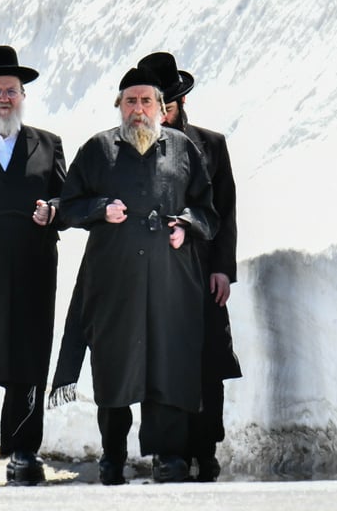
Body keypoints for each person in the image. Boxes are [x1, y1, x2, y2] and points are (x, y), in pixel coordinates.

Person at [56, 66, 218, 485]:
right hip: (114, 282)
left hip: (170, 282)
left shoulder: (183, 150)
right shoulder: (97, 149)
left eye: (147, 101)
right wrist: (100, 210)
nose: (138, 109)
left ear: (163, 110)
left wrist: (186, 225)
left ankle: (170, 457)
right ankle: (112, 457)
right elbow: (68, 205)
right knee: (115, 368)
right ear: (119, 106)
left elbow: (207, 211)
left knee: (169, 365)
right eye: (130, 101)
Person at [0, 45, 68, 487]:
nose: (5, 98)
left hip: (33, 264)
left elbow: (68, 197)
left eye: (12, 91)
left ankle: (24, 450)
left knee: (29, 353)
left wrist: (53, 211)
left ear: (23, 96)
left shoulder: (48, 143)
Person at [138, 51, 242, 482]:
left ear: (179, 104)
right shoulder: (132, 148)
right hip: (155, 278)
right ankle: (169, 451)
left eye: (169, 105)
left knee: (206, 363)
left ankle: (205, 448)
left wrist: (223, 269)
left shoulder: (211, 144)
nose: (161, 113)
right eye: (153, 105)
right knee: (160, 362)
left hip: (201, 273)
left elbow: (227, 211)